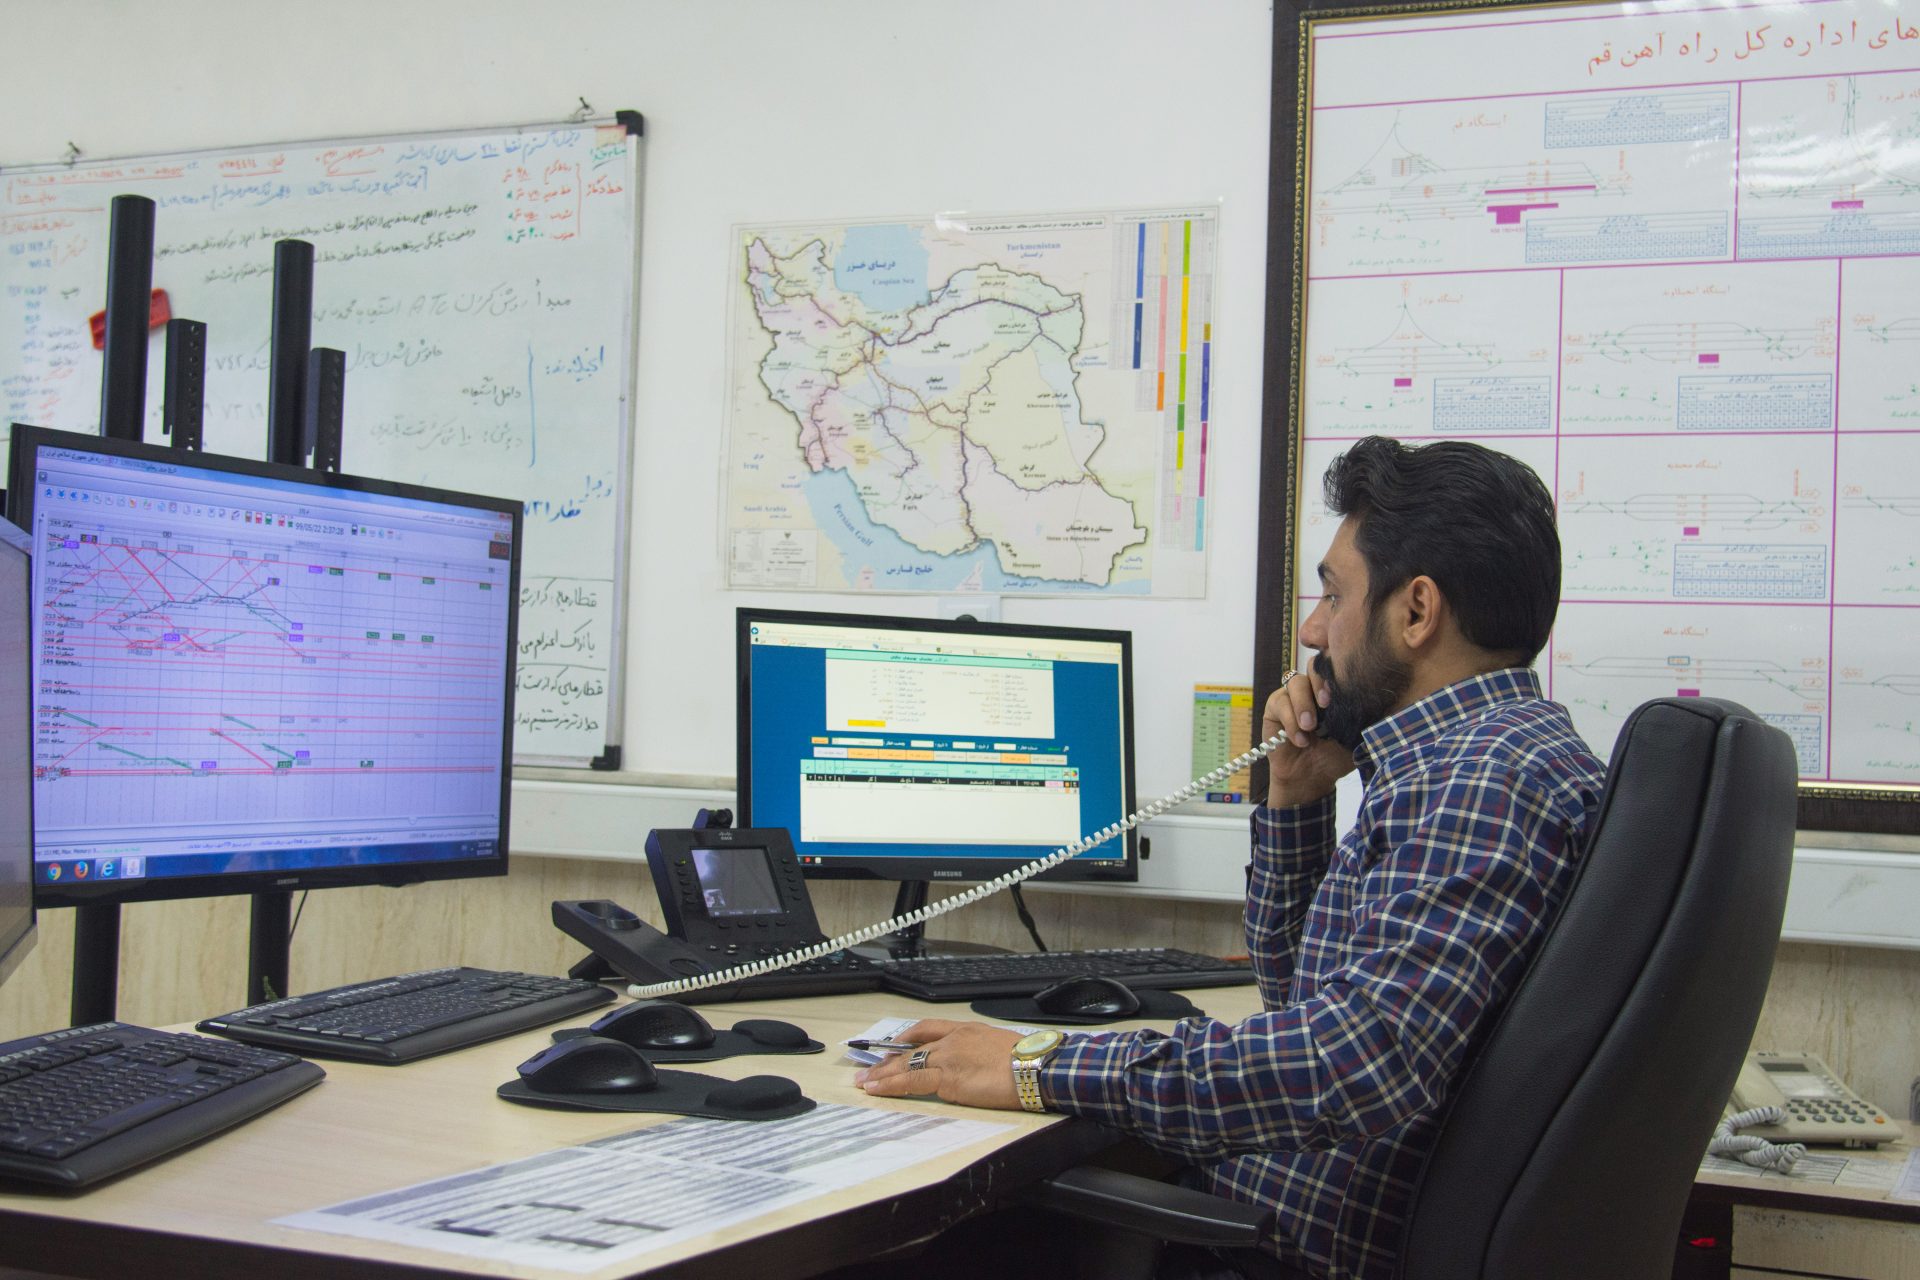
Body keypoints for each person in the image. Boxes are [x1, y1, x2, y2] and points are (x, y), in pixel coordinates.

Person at [852, 436, 1608, 1280]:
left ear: (1417, 610)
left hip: (1275, 1257)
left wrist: (1036, 1064)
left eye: (1333, 592)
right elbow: (1304, 1008)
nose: (1314, 629)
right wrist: (1294, 797)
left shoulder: (1480, 780)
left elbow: (1351, 1063)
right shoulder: (1488, 757)